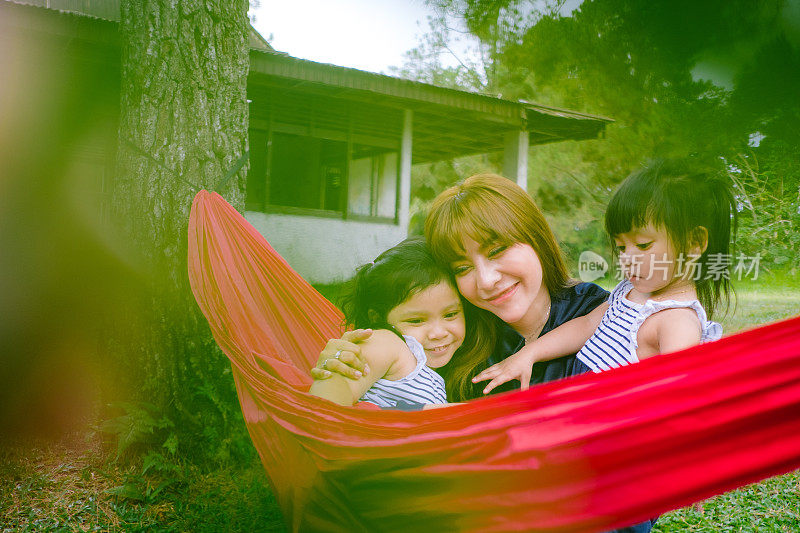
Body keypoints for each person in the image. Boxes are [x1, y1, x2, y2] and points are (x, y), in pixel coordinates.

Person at [473, 160, 735, 394]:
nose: (627, 258)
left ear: (694, 242)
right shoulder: (631, 292)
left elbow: (676, 395)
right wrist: (529, 353)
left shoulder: (677, 320)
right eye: (622, 247)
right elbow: (586, 326)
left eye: (643, 245)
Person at [309, 237, 479, 408]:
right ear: (377, 318)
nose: (438, 333)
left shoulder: (431, 368)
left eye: (450, 314)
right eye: (416, 320)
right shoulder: (387, 342)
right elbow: (332, 392)